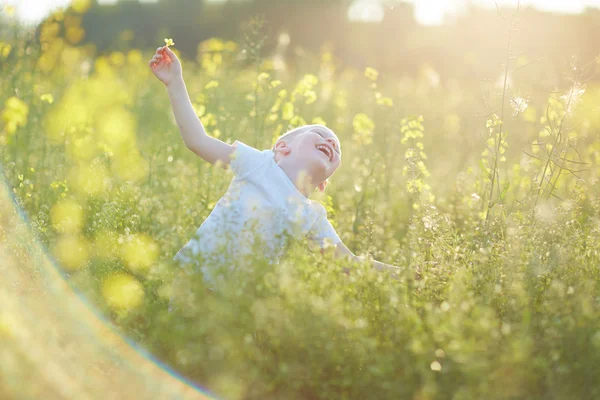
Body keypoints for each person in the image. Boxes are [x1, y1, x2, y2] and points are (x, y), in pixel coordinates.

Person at [148, 45, 399, 314]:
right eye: (319, 134)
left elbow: (347, 263)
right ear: (281, 147)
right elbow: (197, 141)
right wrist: (175, 81)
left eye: (336, 148)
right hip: (195, 282)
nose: (330, 142)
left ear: (322, 185)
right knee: (180, 346)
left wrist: (402, 274)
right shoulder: (258, 163)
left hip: (239, 306)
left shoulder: (311, 215)